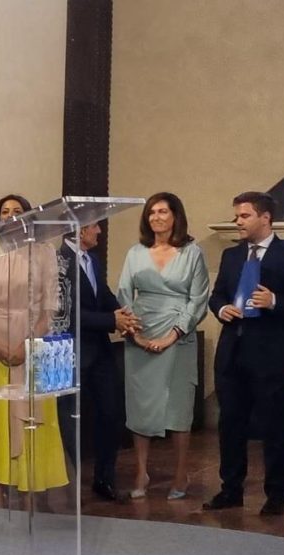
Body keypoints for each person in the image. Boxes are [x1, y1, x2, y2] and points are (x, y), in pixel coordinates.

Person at [205, 191, 284, 516]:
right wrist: (222, 308)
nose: (238, 221)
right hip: (234, 352)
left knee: (274, 426)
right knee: (231, 423)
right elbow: (218, 295)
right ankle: (231, 490)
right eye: (236, 216)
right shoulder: (231, 256)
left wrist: (275, 302)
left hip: (273, 354)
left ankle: (277, 495)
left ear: (265, 217)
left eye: (244, 216)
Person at [0, 196, 69, 507]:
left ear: (29, 217)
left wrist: (25, 346)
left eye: (17, 211)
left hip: (33, 345)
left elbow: (49, 309)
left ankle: (30, 498)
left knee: (32, 420)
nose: (10, 217)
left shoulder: (44, 251)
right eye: (4, 213)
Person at [116, 192, 209, 501]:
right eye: (151, 212)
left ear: (175, 217)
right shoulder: (135, 252)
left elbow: (198, 299)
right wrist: (134, 333)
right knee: (141, 404)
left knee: (178, 406)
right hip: (140, 333)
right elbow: (124, 294)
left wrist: (173, 334)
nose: (155, 217)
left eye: (162, 212)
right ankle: (141, 470)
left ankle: (180, 472)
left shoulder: (192, 253)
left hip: (179, 335)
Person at [59, 223, 141, 502]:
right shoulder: (57, 262)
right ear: (80, 230)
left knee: (111, 413)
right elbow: (66, 311)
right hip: (70, 353)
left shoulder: (92, 259)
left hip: (101, 352)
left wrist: (122, 315)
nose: (99, 232)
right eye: (95, 226)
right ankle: (69, 483)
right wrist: (111, 321)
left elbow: (102, 295)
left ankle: (104, 478)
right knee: (70, 420)